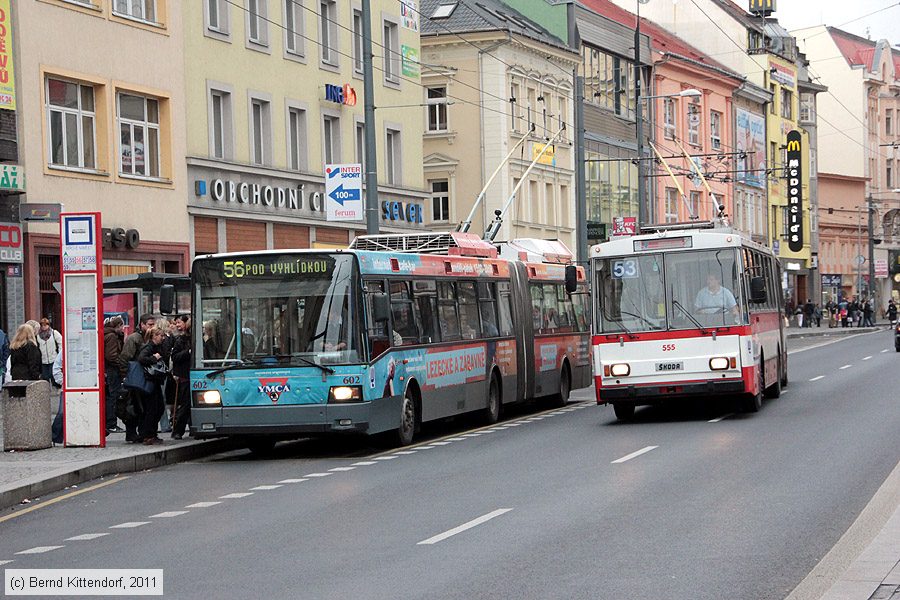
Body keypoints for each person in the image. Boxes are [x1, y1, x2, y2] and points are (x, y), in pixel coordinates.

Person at [120, 314, 155, 442]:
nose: (152, 327)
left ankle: (142, 432)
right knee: (133, 406)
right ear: (142, 324)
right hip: (134, 378)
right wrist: (125, 376)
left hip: (145, 377)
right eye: (150, 325)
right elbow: (125, 358)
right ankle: (131, 432)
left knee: (144, 407)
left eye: (153, 325)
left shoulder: (149, 338)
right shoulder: (134, 338)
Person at [136, 325, 168, 445]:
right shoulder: (149, 347)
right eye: (161, 335)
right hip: (149, 381)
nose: (163, 338)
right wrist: (154, 358)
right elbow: (141, 358)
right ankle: (148, 434)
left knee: (158, 407)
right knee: (152, 408)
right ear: (154, 336)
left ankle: (151, 433)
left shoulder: (156, 346)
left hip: (154, 381)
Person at [103, 317, 126, 434]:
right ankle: (111, 423)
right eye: (122, 326)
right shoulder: (112, 336)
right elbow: (111, 355)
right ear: (117, 326)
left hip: (108, 369)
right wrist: (121, 363)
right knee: (113, 396)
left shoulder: (108, 334)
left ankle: (110, 422)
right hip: (112, 369)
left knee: (110, 396)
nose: (123, 329)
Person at [170, 316, 192, 440]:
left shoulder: (199, 340)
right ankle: (178, 430)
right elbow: (175, 357)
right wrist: (187, 352)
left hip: (195, 375)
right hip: (185, 376)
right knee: (185, 404)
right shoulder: (181, 341)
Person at [36, 318, 62, 382]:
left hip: (53, 358)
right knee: (45, 376)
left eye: (45, 325)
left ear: (48, 325)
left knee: (53, 375)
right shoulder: (38, 335)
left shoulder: (54, 333)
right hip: (43, 359)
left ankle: (54, 388)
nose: (44, 327)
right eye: (42, 325)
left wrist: (59, 355)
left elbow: (61, 343)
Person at [51, 349, 64, 444]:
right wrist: (62, 381)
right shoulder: (65, 349)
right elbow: (57, 367)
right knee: (61, 413)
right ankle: (54, 436)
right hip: (67, 386)